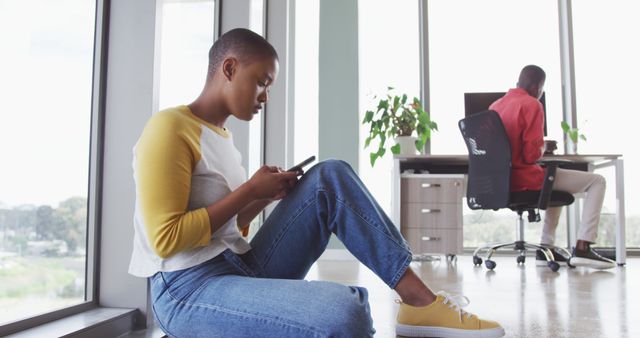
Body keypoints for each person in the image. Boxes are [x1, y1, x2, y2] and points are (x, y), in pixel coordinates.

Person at [128, 28, 505, 338]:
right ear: (228, 68)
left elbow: (226, 229)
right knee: (346, 315)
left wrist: (265, 197)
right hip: (187, 290)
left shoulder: (222, 138)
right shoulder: (169, 128)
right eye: (261, 82)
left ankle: (419, 302)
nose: (266, 97)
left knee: (329, 175)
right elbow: (166, 238)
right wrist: (250, 191)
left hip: (239, 266)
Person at [489, 64, 615, 270]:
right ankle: (583, 246)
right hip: (525, 179)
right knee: (597, 181)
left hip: (504, 181)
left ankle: (545, 248)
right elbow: (530, 156)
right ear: (538, 86)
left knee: (552, 179)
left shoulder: (495, 106)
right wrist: (542, 147)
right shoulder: (531, 104)